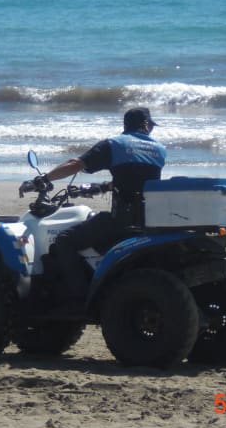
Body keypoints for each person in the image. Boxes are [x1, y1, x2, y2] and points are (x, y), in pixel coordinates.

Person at [27, 107, 166, 306]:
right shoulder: (159, 149)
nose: (151, 129)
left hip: (121, 221)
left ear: (126, 125)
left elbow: (76, 164)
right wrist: (101, 187)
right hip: (148, 220)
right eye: (151, 125)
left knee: (65, 240)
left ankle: (79, 298)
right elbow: (136, 179)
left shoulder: (116, 144)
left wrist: (43, 179)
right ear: (145, 125)